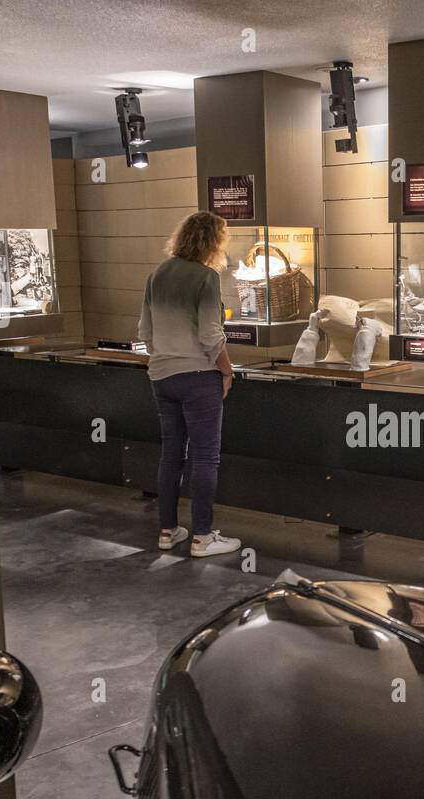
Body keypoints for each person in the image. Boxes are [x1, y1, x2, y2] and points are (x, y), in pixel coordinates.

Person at [138, 211, 241, 557]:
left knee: (171, 455)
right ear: (213, 242)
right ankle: (202, 536)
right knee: (205, 456)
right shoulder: (205, 278)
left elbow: (145, 334)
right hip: (199, 378)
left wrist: (168, 356)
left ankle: (167, 531)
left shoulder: (157, 275)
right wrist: (227, 371)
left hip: (161, 376)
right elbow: (211, 335)